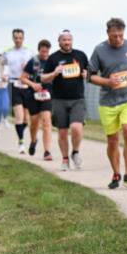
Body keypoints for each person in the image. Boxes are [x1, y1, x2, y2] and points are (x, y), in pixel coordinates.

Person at [88, 18, 127, 189]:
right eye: (114, 36)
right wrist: (107, 82)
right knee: (112, 140)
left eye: (120, 36)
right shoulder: (99, 50)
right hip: (108, 101)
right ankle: (116, 173)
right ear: (108, 34)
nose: (118, 39)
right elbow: (90, 76)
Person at [42, 30, 89, 172]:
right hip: (59, 100)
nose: (67, 42)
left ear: (72, 41)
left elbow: (91, 73)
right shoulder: (53, 58)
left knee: (76, 127)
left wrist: (87, 74)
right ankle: (65, 159)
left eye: (69, 39)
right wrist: (55, 73)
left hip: (77, 99)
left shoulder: (80, 55)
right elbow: (43, 78)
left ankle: (75, 152)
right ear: (59, 41)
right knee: (62, 132)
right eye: (64, 40)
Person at [22, 40, 54, 160]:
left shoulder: (52, 62)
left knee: (46, 122)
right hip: (33, 95)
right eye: (42, 51)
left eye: (46, 51)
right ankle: (33, 140)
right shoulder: (33, 62)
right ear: (39, 50)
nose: (44, 53)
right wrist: (33, 85)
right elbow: (23, 78)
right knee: (34, 123)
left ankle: (47, 151)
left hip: (47, 95)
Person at [4, 29, 34, 154]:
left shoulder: (29, 52)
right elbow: (2, 67)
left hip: (26, 84)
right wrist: (4, 75)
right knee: (19, 115)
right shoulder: (7, 53)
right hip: (14, 84)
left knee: (27, 118)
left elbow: (35, 67)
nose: (18, 40)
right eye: (16, 38)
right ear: (13, 38)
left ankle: (20, 131)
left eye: (20, 38)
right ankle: (21, 142)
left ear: (23, 38)